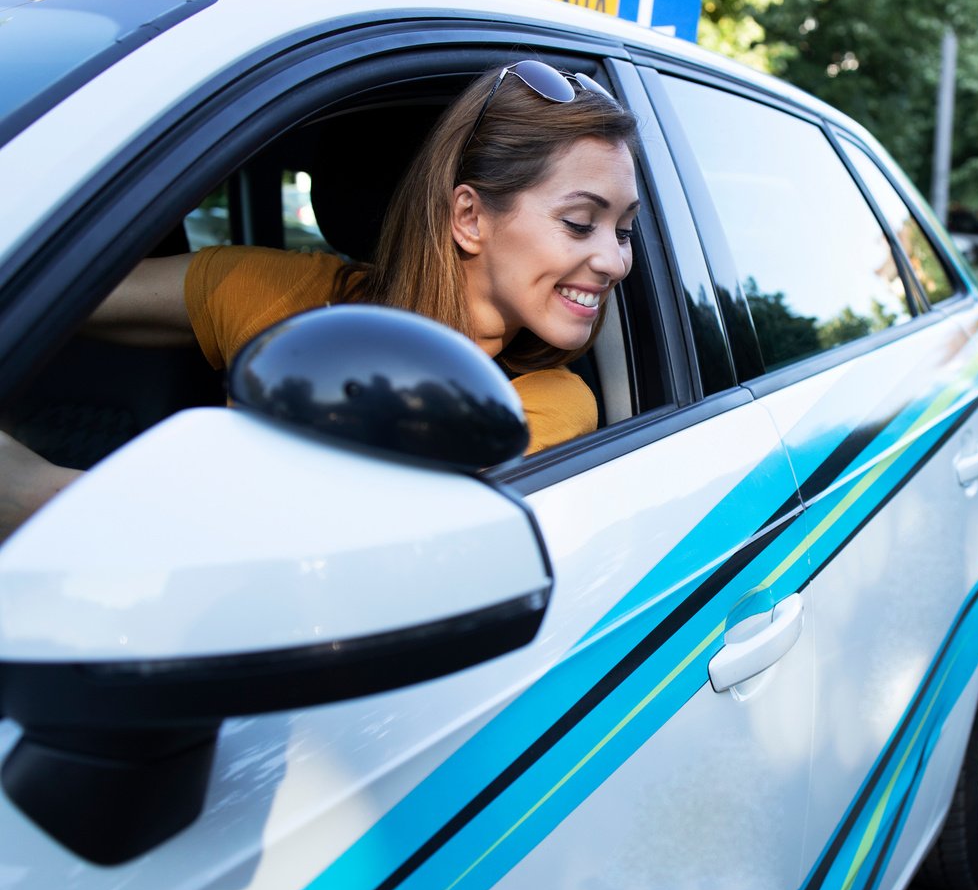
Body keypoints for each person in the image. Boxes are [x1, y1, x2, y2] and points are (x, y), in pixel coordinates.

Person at [0, 60, 642, 541]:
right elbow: (42, 289)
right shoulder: (288, 295)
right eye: (581, 223)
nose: (616, 261)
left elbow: (314, 554)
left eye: (623, 230)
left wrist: (37, 493)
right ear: (469, 218)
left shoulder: (543, 406)